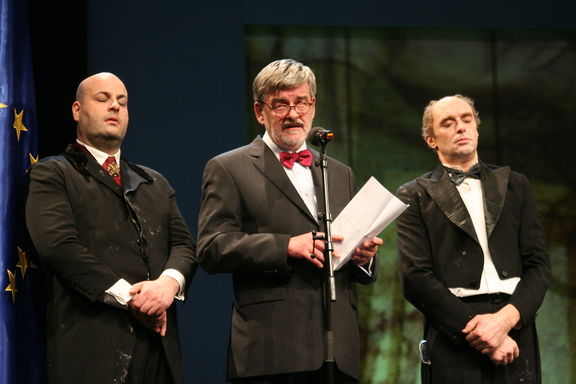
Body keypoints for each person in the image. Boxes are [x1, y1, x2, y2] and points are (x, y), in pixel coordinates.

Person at [196, 59, 382, 384]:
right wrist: (286, 246)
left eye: (301, 102)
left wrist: (364, 258)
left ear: (313, 105)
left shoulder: (339, 173)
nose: (293, 114)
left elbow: (348, 259)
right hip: (271, 350)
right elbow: (212, 248)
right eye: (280, 104)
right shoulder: (229, 167)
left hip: (340, 353)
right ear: (260, 111)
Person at [25, 72, 197, 384]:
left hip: (159, 352)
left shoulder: (154, 182)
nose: (115, 107)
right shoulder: (52, 174)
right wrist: (132, 299)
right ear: (77, 110)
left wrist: (166, 287)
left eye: (122, 102)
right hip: (91, 350)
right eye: (103, 99)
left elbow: (185, 246)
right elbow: (59, 247)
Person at [396, 94, 551, 383]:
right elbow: (415, 278)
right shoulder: (414, 194)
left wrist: (505, 321)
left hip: (516, 328)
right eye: (448, 123)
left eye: (467, 120)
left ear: (477, 130)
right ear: (431, 139)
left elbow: (539, 266)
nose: (461, 127)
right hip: (454, 332)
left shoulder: (516, 185)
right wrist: (479, 330)